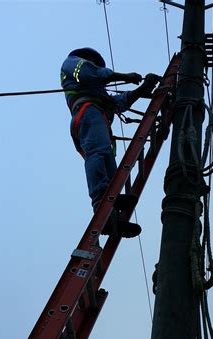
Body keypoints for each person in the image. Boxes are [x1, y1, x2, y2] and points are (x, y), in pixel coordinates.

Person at [61, 47, 160, 238]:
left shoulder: (97, 90)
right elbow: (90, 72)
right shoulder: (72, 63)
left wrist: (141, 89)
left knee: (110, 167)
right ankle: (101, 203)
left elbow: (117, 102)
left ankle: (111, 214)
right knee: (97, 153)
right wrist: (124, 76)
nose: (97, 65)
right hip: (88, 112)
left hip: (99, 117)